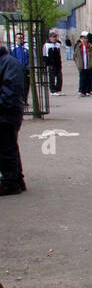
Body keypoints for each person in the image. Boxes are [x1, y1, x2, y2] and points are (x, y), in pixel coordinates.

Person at [0, 42, 27, 194]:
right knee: (8, 147)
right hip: (7, 112)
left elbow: (10, 92)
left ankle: (10, 182)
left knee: (6, 148)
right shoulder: (7, 62)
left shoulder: (9, 63)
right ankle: (15, 179)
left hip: (7, 113)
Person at [74, 31, 92, 96]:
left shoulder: (91, 47)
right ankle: (82, 91)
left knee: (91, 78)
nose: (84, 40)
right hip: (82, 65)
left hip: (90, 65)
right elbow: (75, 56)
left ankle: (91, 90)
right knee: (82, 78)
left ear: (87, 39)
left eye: (85, 38)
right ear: (80, 39)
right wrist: (78, 63)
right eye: (82, 39)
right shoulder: (78, 47)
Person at [43, 30, 64, 95]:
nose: (54, 38)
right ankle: (52, 90)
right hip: (51, 64)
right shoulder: (47, 45)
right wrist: (48, 64)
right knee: (52, 78)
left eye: (55, 37)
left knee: (59, 77)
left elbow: (59, 54)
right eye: (53, 37)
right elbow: (45, 55)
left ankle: (58, 89)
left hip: (58, 63)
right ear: (50, 38)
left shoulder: (57, 44)